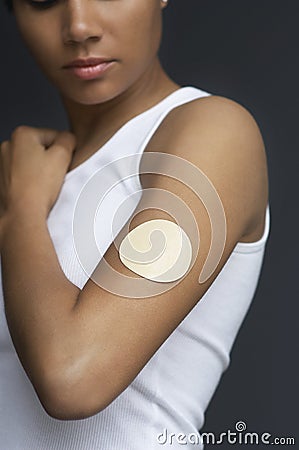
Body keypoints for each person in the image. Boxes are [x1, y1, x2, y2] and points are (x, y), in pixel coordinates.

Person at [0, 0, 270, 449]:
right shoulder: (28, 175)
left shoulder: (214, 133)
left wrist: (20, 212)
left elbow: (74, 377)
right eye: (44, 0)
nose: (79, 27)